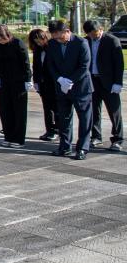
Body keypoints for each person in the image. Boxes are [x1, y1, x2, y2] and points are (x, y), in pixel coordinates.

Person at [46, 20, 93, 160]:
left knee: (84, 118)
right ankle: (65, 146)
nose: (58, 40)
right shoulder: (53, 43)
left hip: (81, 87)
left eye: (60, 37)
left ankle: (82, 148)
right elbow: (50, 64)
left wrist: (70, 81)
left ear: (67, 31)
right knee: (64, 119)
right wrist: (60, 79)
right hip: (62, 87)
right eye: (55, 37)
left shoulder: (81, 43)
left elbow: (84, 66)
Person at [0, 24, 32, 148]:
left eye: (1, 38)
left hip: (18, 81)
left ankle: (18, 139)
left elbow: (25, 63)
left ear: (6, 35)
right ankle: (8, 136)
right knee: (5, 109)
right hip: (2, 81)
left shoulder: (18, 43)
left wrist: (28, 79)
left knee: (19, 110)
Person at [84, 20, 123, 152]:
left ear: (101, 29)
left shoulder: (112, 40)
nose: (94, 35)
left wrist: (118, 82)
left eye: (95, 32)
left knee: (114, 111)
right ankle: (96, 137)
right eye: (90, 33)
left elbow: (119, 64)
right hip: (92, 81)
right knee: (94, 110)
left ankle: (117, 139)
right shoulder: (86, 41)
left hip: (109, 82)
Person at [28, 28, 58, 142]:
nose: (38, 42)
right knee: (47, 108)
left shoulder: (52, 47)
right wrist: (36, 81)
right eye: (35, 41)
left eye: (39, 39)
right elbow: (36, 67)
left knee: (56, 107)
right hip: (43, 83)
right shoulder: (37, 50)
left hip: (54, 82)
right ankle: (49, 130)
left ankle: (58, 130)